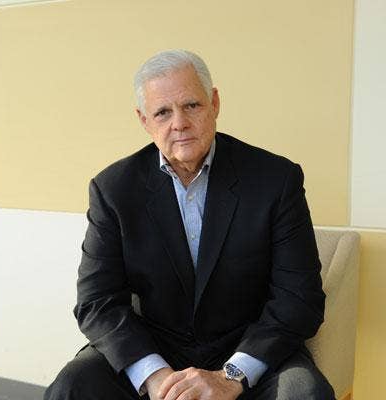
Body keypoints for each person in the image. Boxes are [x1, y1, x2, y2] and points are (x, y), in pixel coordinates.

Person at [44, 49, 335, 400]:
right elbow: (97, 301)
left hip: (248, 349)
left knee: (305, 393)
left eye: (191, 105)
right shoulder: (113, 189)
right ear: (144, 120)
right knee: (73, 386)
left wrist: (231, 375)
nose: (179, 123)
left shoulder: (277, 179)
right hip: (154, 350)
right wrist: (156, 377)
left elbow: (299, 298)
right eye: (163, 112)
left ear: (214, 103)